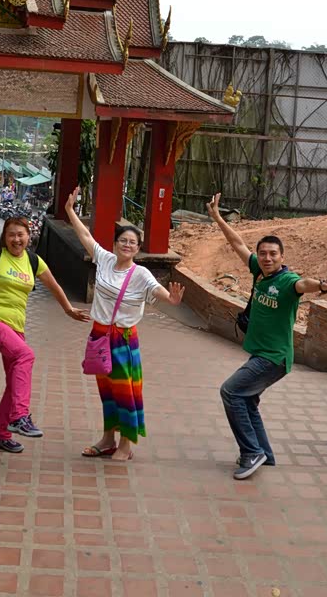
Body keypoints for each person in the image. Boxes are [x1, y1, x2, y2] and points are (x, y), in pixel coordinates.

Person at [206, 193, 327, 480]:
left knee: (230, 392)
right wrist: (217, 218)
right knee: (247, 400)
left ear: (282, 257)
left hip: (273, 358)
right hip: (262, 353)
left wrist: (323, 285)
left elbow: (304, 284)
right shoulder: (259, 270)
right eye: (263, 253)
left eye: (273, 254)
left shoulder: (287, 280)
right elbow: (237, 243)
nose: (267, 258)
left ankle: (251, 452)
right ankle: (264, 454)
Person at [64, 188, 186, 463]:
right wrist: (70, 210)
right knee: (107, 391)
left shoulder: (140, 274)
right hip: (99, 335)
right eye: (123, 240)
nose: (127, 245)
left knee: (125, 392)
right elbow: (85, 237)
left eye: (133, 242)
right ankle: (107, 440)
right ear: (115, 243)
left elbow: (156, 290)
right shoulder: (105, 260)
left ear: (138, 248)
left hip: (123, 339)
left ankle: (126, 444)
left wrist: (171, 299)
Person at [0, 212, 88, 453]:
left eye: (20, 235)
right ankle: (19, 416)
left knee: (14, 382)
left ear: (28, 236)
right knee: (26, 356)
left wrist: (68, 309)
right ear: (5, 237)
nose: (16, 239)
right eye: (11, 235)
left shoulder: (34, 262)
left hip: (16, 327)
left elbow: (54, 285)